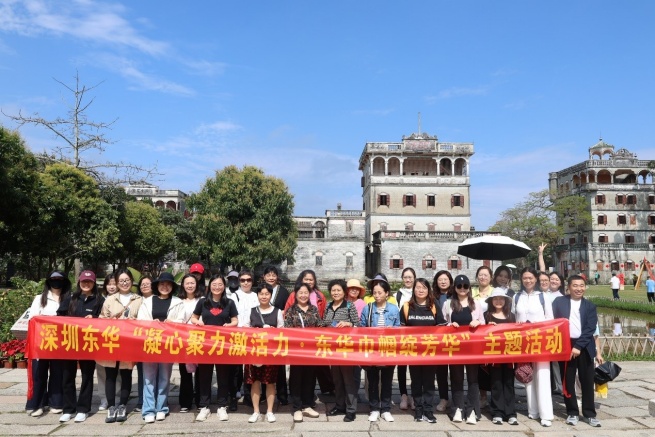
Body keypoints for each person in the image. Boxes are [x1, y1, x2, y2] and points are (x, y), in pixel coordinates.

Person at [137, 272, 188, 423]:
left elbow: (182, 322)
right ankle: (148, 409)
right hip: (150, 343)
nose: (165, 287)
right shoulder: (147, 302)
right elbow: (140, 321)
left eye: (168, 284)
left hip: (167, 344)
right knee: (148, 378)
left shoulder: (178, 302)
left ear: (172, 287)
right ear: (157, 286)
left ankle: (162, 407)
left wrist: (171, 323)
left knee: (165, 377)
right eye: (162, 284)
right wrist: (151, 323)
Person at [552, 275, 601, 427]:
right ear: (568, 287)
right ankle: (572, 412)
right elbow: (553, 322)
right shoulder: (559, 302)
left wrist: (578, 346)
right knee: (568, 381)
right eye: (575, 285)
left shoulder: (590, 306)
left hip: (584, 346)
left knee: (587, 381)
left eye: (581, 286)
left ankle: (589, 413)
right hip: (566, 345)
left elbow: (590, 328)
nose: (579, 289)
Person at [56, 270, 104, 423]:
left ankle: (83, 409)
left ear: (94, 283)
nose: (86, 284)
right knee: (67, 376)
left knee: (87, 376)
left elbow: (104, 320)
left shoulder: (99, 300)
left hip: (89, 343)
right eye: (84, 281)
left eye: (89, 281)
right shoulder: (70, 298)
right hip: (70, 342)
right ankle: (68, 409)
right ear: (79, 282)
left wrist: (94, 318)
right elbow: (59, 317)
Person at [98, 269, 143, 423]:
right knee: (110, 374)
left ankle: (123, 405)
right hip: (111, 341)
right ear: (117, 283)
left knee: (126, 374)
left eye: (127, 280)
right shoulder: (110, 300)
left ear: (131, 281)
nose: (124, 283)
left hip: (129, 343)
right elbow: (101, 319)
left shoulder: (138, 299)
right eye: (121, 281)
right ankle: (111, 406)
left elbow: (144, 320)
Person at [192, 274, 238, 422]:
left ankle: (222, 406)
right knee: (204, 376)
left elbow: (235, 320)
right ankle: (204, 406)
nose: (217, 287)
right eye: (214, 284)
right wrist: (198, 322)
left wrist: (229, 325)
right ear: (209, 286)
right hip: (205, 345)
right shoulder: (203, 302)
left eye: (220, 284)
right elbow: (193, 317)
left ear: (224, 287)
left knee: (223, 376)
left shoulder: (229, 303)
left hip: (223, 345)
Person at [400, 278, 445, 424]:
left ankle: (428, 410)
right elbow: (400, 329)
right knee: (416, 381)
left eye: (424, 288)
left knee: (429, 382)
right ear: (413, 289)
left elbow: (442, 327)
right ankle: (418, 410)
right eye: (418, 287)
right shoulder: (407, 307)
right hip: (413, 352)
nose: (421, 290)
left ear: (428, 290)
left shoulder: (434, 305)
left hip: (430, 352)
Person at [514, 266, 554, 427]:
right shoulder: (517, 297)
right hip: (523, 342)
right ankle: (533, 410)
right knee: (527, 374)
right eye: (525, 278)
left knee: (542, 375)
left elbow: (550, 320)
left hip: (541, 341)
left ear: (536, 279)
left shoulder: (543, 297)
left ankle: (546, 414)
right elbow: (513, 319)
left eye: (530, 278)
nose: (528, 280)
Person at [28, 271, 72, 417]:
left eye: (59, 279)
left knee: (58, 373)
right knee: (39, 373)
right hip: (41, 343)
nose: (56, 282)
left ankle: (56, 403)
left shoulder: (70, 298)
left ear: (64, 281)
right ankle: (37, 404)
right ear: (48, 281)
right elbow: (33, 319)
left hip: (61, 343)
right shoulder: (39, 298)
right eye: (53, 279)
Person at [443, 274, 485, 425]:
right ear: (454, 288)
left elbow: (483, 322)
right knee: (456, 378)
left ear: (469, 288)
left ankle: (472, 410)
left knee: (473, 379)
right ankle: (457, 408)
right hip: (455, 347)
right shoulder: (448, 304)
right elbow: (443, 323)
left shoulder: (476, 304)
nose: (462, 289)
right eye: (459, 286)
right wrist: (450, 325)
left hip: (472, 347)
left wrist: (477, 322)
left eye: (465, 286)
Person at [284, 270, 333, 395]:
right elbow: (287, 324)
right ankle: (296, 398)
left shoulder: (316, 303)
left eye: (311, 279)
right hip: (297, 345)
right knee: (297, 371)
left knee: (312, 370)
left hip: (313, 343)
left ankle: (310, 397)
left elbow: (321, 319)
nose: (303, 295)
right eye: (306, 279)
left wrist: (330, 327)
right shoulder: (291, 308)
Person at [360, 279, 400, 423]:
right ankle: (374, 408)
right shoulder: (368, 308)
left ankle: (386, 409)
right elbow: (361, 327)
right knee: (373, 381)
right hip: (372, 350)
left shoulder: (394, 309)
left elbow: (399, 328)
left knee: (387, 381)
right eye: (375, 293)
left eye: (380, 293)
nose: (377, 295)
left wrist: (392, 330)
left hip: (388, 349)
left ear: (387, 293)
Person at [284, 282, 324, 423]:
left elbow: (320, 326)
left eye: (305, 293)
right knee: (296, 378)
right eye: (300, 293)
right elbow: (287, 329)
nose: (303, 295)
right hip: (296, 351)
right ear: (295, 294)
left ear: (309, 294)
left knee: (310, 377)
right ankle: (296, 407)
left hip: (311, 350)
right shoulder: (291, 311)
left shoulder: (313, 309)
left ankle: (307, 405)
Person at [245, 284, 284, 423]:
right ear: (257, 295)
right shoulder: (251, 311)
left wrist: (273, 331)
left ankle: (269, 411)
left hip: (270, 353)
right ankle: (256, 411)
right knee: (255, 382)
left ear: (271, 295)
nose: (264, 296)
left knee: (270, 382)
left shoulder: (277, 311)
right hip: (254, 353)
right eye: (261, 294)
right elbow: (245, 329)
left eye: (267, 294)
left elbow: (282, 331)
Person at [324, 279, 360, 422]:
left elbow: (358, 325)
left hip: (346, 349)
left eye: (338, 290)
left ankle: (351, 410)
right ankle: (339, 406)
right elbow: (324, 323)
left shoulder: (350, 306)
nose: (336, 293)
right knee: (337, 379)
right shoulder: (328, 306)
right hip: (332, 349)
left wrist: (348, 323)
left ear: (344, 292)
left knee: (348, 380)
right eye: (333, 290)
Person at [483, 289, 518, 425]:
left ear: (506, 301)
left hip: (509, 355)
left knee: (509, 383)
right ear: (491, 301)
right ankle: (497, 412)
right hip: (494, 356)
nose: (498, 301)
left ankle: (510, 413)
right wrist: (487, 327)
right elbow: (481, 333)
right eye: (495, 299)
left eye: (501, 299)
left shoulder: (512, 316)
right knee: (496, 383)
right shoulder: (486, 316)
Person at [230, 269, 261, 408]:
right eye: (243, 280)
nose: (246, 283)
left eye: (248, 280)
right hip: (237, 334)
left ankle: (249, 396)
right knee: (236, 367)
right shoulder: (234, 296)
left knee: (250, 367)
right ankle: (234, 394)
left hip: (252, 335)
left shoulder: (256, 296)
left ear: (252, 281)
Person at [262, 265, 290, 406]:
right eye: (268, 275)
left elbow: (287, 308)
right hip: (262, 333)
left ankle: (282, 395)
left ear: (277, 277)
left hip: (278, 332)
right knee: (262, 363)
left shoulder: (283, 292)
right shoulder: (260, 290)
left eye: (274, 275)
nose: (271, 277)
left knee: (279, 364)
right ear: (264, 277)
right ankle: (263, 393)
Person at [178, 273, 202, 413]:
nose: (190, 285)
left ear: (196, 284)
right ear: (183, 285)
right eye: (187, 283)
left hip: (199, 340)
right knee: (184, 372)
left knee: (200, 372)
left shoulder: (202, 300)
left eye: (192, 283)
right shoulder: (178, 301)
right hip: (183, 340)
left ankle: (200, 400)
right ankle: (185, 401)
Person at [96, 274, 118, 412]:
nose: (111, 286)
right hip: (102, 341)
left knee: (118, 371)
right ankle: (104, 399)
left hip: (118, 341)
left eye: (114, 283)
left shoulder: (122, 299)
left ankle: (117, 396)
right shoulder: (99, 299)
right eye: (109, 284)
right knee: (101, 371)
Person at [431, 270, 453, 413]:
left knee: (456, 371)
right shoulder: (432, 297)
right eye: (440, 279)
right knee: (441, 371)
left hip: (454, 337)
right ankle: (443, 398)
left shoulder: (456, 295)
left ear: (450, 281)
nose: (443, 282)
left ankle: (457, 398)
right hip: (437, 338)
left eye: (445, 279)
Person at [472, 266, 493, 408]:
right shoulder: (471, 292)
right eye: (480, 275)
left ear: (491, 277)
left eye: (486, 275)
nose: (483, 277)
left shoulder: (495, 292)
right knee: (478, 366)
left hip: (491, 332)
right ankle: (482, 396)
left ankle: (495, 395)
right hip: (475, 334)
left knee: (492, 365)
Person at [396, 267, 416, 411]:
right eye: (405, 277)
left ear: (414, 278)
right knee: (402, 366)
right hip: (402, 334)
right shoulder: (398, 294)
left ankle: (414, 395)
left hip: (417, 335)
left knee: (415, 366)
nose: (408, 280)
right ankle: (403, 394)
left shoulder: (420, 291)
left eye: (410, 277)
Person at [134, 274, 153, 413]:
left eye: (148, 283)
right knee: (141, 371)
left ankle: (155, 399)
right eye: (142, 284)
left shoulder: (158, 299)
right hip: (139, 341)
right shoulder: (135, 300)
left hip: (154, 340)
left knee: (155, 372)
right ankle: (142, 400)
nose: (145, 285)